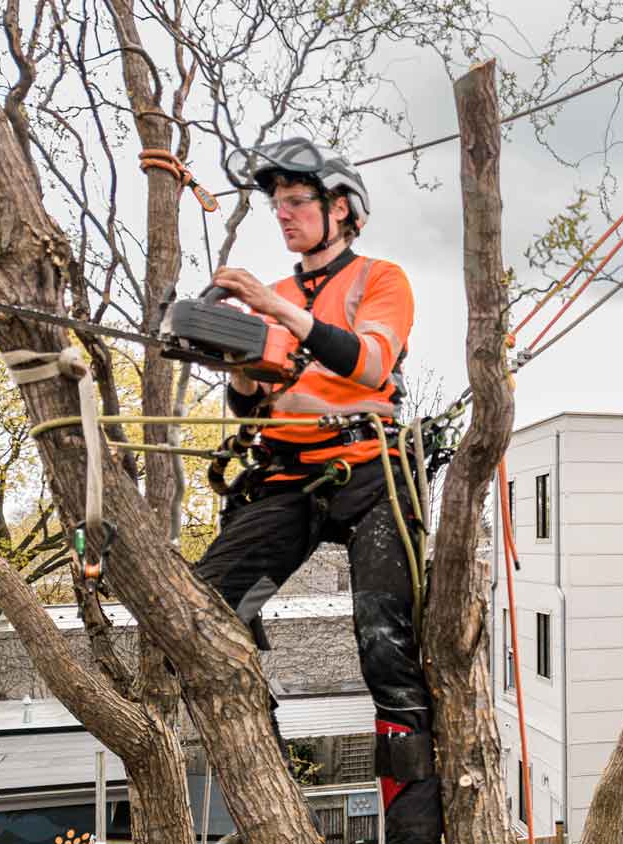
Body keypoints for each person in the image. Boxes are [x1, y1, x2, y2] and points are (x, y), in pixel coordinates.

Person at [199, 137, 441, 844]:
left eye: (298, 201)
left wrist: (276, 308)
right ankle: (271, 781)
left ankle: (414, 831)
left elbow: (368, 363)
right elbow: (251, 410)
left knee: (385, 649)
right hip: (287, 473)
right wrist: (240, 364)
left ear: (341, 209)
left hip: (370, 472)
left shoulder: (379, 278)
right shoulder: (271, 303)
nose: (285, 214)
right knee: (207, 606)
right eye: (278, 205)